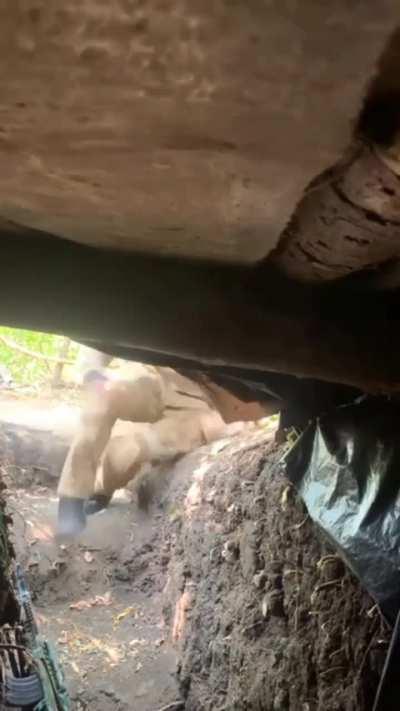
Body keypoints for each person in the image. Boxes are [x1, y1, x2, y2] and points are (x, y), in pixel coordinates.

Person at [57, 361, 225, 537]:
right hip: (149, 373)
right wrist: (92, 371)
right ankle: (71, 498)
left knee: (139, 447)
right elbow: (96, 337)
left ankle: (101, 490)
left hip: (200, 400)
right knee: (103, 398)